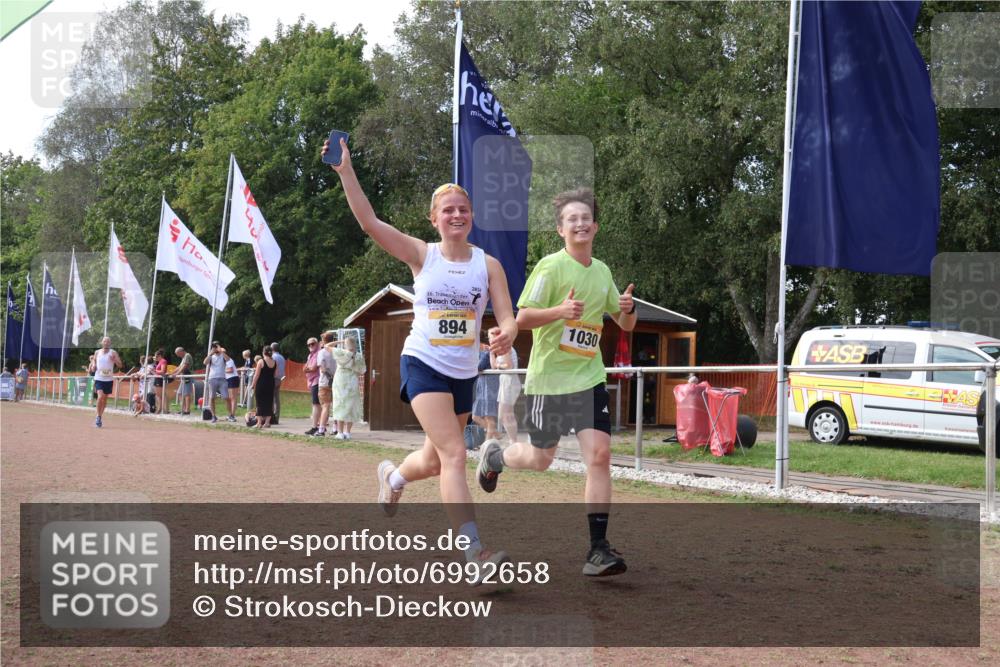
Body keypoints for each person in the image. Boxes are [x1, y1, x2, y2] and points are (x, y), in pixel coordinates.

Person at [324, 135, 518, 579]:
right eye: (447, 209)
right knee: (454, 456)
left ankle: (392, 479)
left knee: (432, 461)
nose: (456, 215)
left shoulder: (488, 266)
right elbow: (370, 222)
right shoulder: (421, 255)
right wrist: (346, 171)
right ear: (434, 219)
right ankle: (476, 558)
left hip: (464, 373)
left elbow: (508, 318)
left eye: (462, 209)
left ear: (472, 218)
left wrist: (505, 335)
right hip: (423, 362)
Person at [477, 188, 637, 577]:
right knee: (539, 459)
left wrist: (629, 310)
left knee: (599, 456)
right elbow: (523, 317)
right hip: (549, 381)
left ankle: (597, 550)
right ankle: (495, 456)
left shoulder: (602, 273)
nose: (580, 224)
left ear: (595, 227)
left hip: (589, 378)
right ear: (560, 229)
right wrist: (560, 311)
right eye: (572, 219)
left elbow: (625, 324)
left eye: (586, 218)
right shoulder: (550, 267)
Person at [330, 334, 366, 439]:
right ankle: (348, 432)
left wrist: (340, 342)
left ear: (346, 344)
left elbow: (326, 346)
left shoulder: (341, 352)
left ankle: (340, 433)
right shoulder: (359, 356)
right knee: (351, 406)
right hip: (352, 382)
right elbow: (362, 371)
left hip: (340, 382)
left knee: (340, 405)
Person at [471, 341, 500, 441]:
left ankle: (487, 443)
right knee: (475, 416)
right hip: (482, 387)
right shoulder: (477, 352)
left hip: (489, 387)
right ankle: (496, 434)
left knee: (489, 417)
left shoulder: (486, 352)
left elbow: (478, 367)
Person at [92, 336, 123, 428]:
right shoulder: (97, 352)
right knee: (100, 397)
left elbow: (120, 365)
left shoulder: (113, 352)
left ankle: (100, 416)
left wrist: (115, 360)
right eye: (105, 341)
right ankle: (97, 416)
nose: (106, 343)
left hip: (108, 379)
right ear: (102, 342)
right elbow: (94, 360)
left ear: (110, 343)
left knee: (104, 399)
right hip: (99, 378)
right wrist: (94, 365)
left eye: (108, 341)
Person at [494, 346, 522, 444]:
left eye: (492, 336)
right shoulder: (499, 349)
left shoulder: (506, 347)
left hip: (510, 380)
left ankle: (513, 442)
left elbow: (509, 365)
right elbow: (494, 366)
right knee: (503, 415)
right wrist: (491, 353)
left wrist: (499, 366)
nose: (490, 339)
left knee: (505, 414)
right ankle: (513, 441)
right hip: (505, 381)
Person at [316, 331, 337, 437]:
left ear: (324, 341)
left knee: (325, 406)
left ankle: (321, 429)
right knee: (336, 405)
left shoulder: (322, 353)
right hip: (337, 381)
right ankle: (336, 428)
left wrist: (329, 377)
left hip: (325, 382)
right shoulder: (337, 351)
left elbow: (322, 368)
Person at [203, 341, 230, 424]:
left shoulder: (223, 354)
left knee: (226, 397)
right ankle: (214, 416)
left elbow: (228, 360)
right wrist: (211, 353)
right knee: (212, 397)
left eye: (216, 346)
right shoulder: (211, 356)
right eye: (214, 346)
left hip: (222, 378)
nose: (215, 348)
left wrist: (221, 350)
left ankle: (230, 415)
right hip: (212, 378)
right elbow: (205, 362)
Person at [250, 345, 276, 428]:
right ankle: (267, 422)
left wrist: (252, 385)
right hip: (271, 384)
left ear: (263, 352)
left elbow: (256, 375)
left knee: (259, 402)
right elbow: (275, 374)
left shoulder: (261, 361)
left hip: (261, 384)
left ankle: (259, 422)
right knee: (269, 402)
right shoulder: (274, 362)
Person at [303, 337, 322, 435]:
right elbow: (305, 367)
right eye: (308, 345)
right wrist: (307, 368)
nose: (310, 346)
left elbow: (313, 368)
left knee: (316, 404)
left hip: (317, 380)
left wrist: (307, 369)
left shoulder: (319, 353)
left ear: (317, 343)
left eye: (312, 344)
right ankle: (319, 425)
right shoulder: (310, 355)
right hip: (312, 381)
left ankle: (315, 426)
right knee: (316, 404)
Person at [170, 347, 195, 415]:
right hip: (184, 377)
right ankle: (183, 409)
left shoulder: (187, 355)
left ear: (181, 351)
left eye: (178, 354)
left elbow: (185, 366)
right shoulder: (183, 357)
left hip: (187, 376)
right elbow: (179, 367)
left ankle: (187, 410)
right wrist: (171, 373)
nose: (178, 355)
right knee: (180, 393)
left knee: (186, 393)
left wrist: (176, 374)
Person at [270, 342, 286, 423]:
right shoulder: (282, 357)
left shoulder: (272, 357)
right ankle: (276, 417)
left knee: (271, 398)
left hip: (273, 379)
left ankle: (271, 417)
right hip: (279, 379)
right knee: (276, 398)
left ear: (272, 349)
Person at [224, 352, 239, 422]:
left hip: (232, 378)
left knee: (233, 398)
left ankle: (232, 415)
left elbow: (231, 370)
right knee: (230, 398)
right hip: (231, 379)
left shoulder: (229, 360)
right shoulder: (226, 361)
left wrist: (223, 371)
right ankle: (230, 414)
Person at [153, 349, 169, 414]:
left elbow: (163, 371)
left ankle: (162, 409)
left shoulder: (163, 361)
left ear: (159, 356)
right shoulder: (159, 362)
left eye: (156, 356)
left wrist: (154, 371)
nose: (155, 358)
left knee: (160, 395)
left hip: (160, 380)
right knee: (159, 395)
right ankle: (161, 409)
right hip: (157, 379)